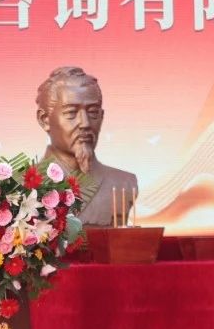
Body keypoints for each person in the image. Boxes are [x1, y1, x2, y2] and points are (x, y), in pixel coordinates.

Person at [36, 66, 138, 227]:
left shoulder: (123, 183)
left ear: (102, 116)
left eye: (93, 112)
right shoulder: (19, 186)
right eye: (71, 113)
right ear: (44, 120)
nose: (85, 123)